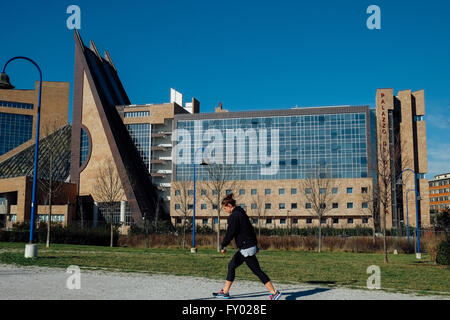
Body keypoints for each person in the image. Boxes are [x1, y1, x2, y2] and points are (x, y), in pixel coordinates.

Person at [213, 193, 281, 300]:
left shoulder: (234, 216)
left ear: (230, 206)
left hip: (246, 248)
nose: (225, 210)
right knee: (232, 265)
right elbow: (251, 230)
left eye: (225, 208)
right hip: (248, 246)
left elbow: (230, 233)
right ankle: (225, 292)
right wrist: (255, 245)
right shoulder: (242, 213)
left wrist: (223, 245)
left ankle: (274, 292)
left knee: (257, 271)